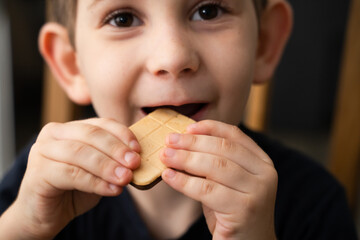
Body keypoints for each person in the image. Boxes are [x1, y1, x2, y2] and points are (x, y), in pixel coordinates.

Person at [0, 0, 357, 239]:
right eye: (123, 18)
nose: (172, 56)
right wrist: (27, 226)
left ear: (263, 42)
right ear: (71, 64)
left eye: (208, 11)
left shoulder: (314, 205)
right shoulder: (43, 185)